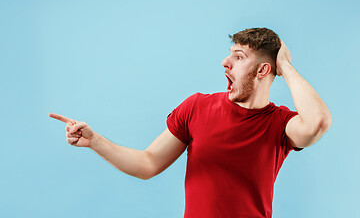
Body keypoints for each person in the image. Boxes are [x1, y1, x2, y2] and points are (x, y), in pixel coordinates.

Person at [49, 27, 332, 218]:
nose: (225, 62)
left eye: (238, 57)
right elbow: (148, 163)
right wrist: (94, 141)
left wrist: (286, 65)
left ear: (263, 70)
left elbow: (318, 122)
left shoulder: (280, 123)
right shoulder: (197, 107)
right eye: (229, 53)